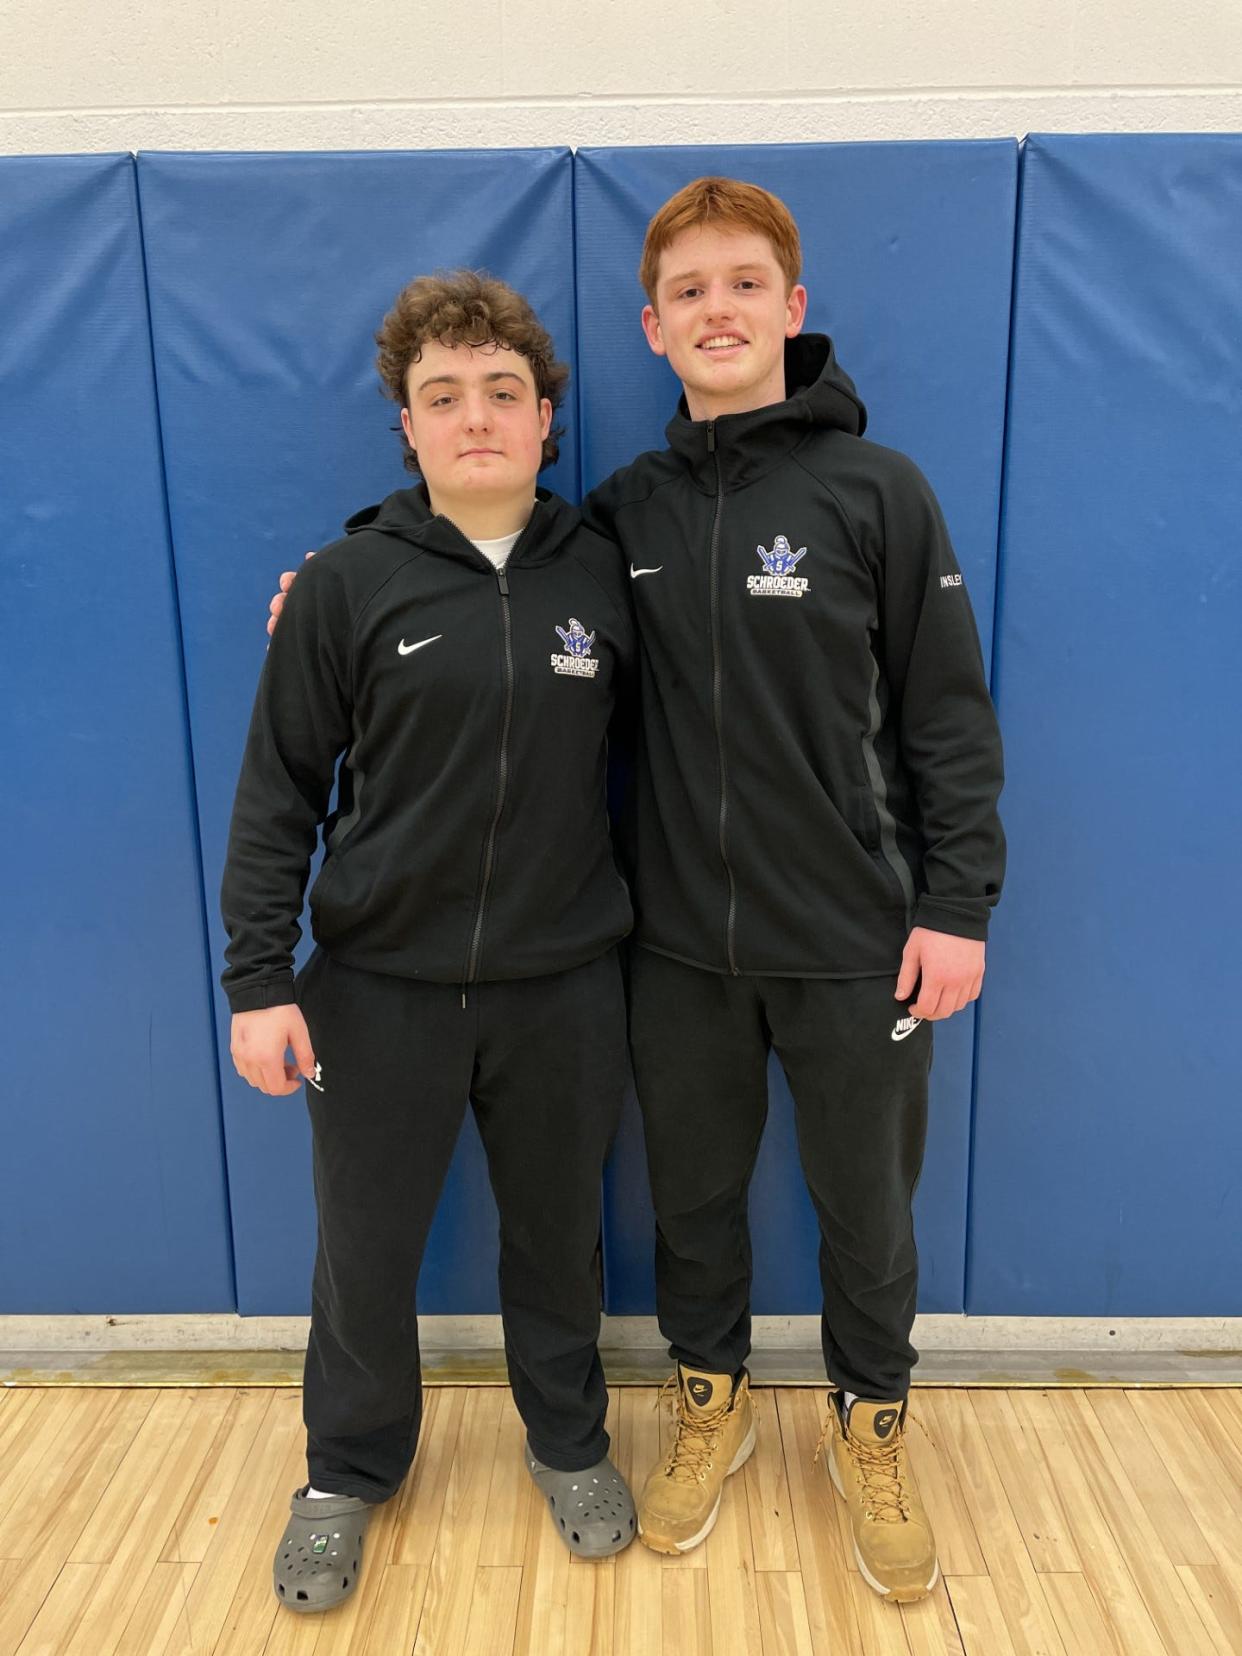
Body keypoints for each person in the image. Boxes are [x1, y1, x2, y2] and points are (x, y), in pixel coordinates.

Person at [269, 179, 1006, 1606]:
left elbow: (947, 721)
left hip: (858, 943)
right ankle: (707, 1401)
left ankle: (872, 1420)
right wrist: (338, 574)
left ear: (791, 312)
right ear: (653, 329)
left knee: (867, 1208)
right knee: (691, 1208)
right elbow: (483, 571)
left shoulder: (879, 494)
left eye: (744, 286)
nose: (716, 310)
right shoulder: (619, 515)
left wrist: (956, 902)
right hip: (668, 949)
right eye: (688, 293)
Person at [222, 270, 639, 1616]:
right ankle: (345, 1473)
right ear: (406, 424)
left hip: (564, 982)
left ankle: (568, 1443)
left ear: (543, 415)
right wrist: (256, 981)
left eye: (502, 393)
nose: (475, 418)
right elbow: (277, 791)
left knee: (557, 1240)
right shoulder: (345, 583)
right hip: (376, 991)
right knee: (364, 1251)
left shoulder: (606, 572)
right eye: (442, 397)